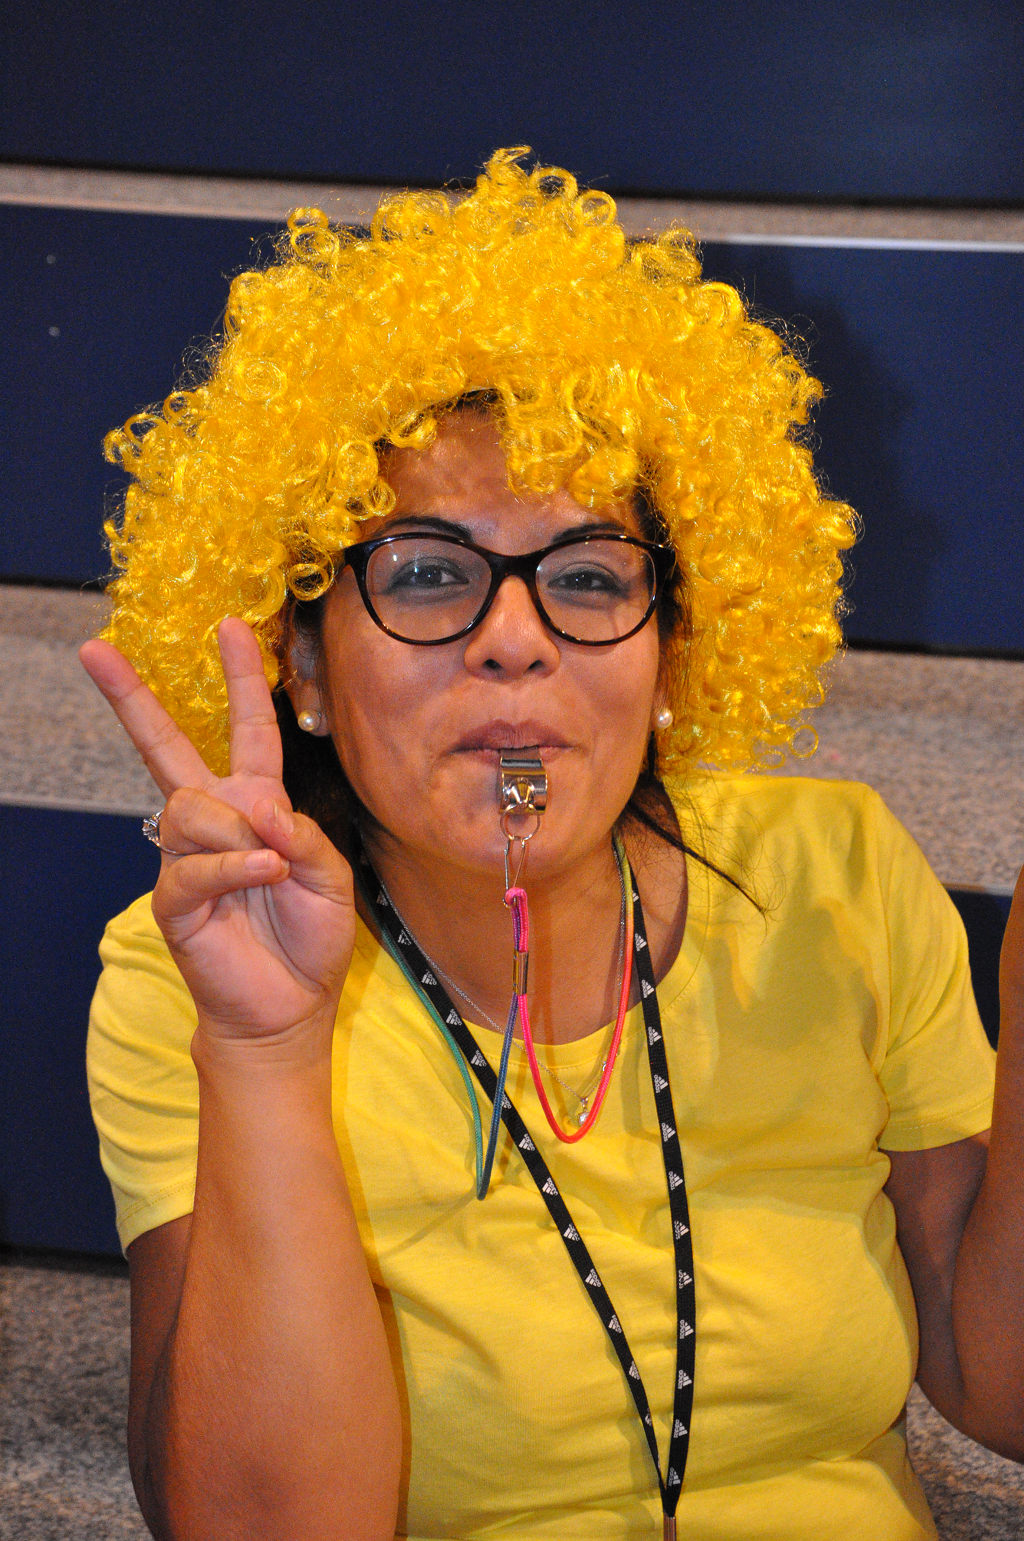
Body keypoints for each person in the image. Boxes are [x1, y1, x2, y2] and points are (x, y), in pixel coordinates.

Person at [82, 149, 1023, 1541]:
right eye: (428, 574)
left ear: (671, 653)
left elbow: (1001, 1385)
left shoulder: (838, 875)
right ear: (304, 668)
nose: (515, 637)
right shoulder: (195, 971)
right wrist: (268, 1052)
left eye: (587, 576)